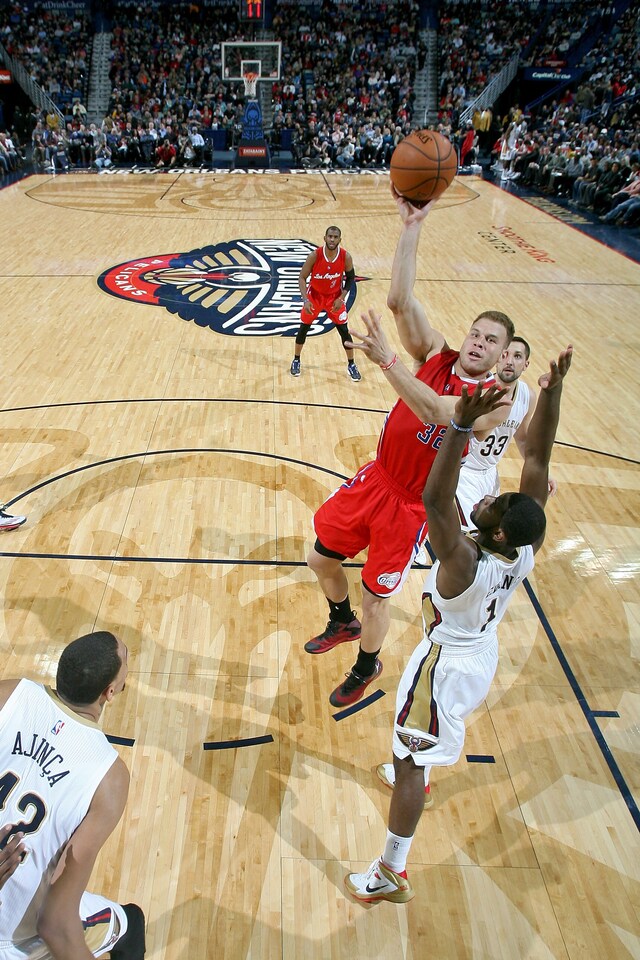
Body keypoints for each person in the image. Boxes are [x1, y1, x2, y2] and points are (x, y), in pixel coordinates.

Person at [345, 345, 573, 903]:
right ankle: (420, 760)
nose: (492, 496)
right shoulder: (523, 548)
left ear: (495, 532)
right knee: (423, 742)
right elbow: (538, 461)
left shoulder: (462, 560)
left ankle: (390, 870)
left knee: (406, 760)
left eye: (494, 506)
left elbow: (435, 497)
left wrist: (462, 427)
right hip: (481, 655)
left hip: (443, 661)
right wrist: (554, 391)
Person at [304, 192, 516, 708]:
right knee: (319, 558)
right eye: (475, 333)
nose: (477, 342)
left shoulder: (493, 402)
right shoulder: (436, 354)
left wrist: (387, 362)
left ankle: (366, 664)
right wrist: (411, 226)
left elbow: (436, 412)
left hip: (411, 505)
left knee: (378, 596)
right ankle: (341, 620)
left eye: (490, 341)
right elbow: (400, 300)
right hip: (376, 478)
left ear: (501, 355)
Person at [0, 631, 146, 959]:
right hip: (16, 942)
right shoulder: (109, 779)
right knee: (124, 922)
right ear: (110, 692)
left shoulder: (9, 695)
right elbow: (55, 925)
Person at [290, 226, 361, 382]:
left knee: (344, 331)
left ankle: (351, 364)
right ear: (324, 238)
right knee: (304, 328)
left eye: (335, 237)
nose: (332, 240)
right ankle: (296, 359)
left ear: (339, 240)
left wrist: (341, 298)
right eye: (330, 236)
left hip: (334, 298)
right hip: (314, 296)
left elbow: (350, 279)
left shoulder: (345, 257)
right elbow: (302, 277)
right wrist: (306, 299)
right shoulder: (314, 256)